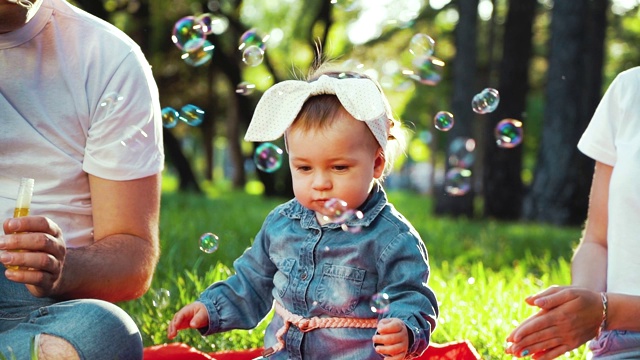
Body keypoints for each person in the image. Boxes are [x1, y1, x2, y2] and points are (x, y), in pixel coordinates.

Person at [167, 67, 439, 359]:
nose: (320, 183)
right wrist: (211, 308)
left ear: (376, 164)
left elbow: (411, 296)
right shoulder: (281, 224)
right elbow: (251, 282)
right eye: (305, 168)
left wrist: (405, 329)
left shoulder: (391, 238)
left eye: (339, 167)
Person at [0, 0, 164, 358]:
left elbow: (134, 258)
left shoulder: (107, 56)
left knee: (105, 332)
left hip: (35, 304)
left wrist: (62, 266)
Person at [505, 66, 640, 359]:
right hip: (618, 343)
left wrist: (605, 310)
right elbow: (597, 240)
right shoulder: (629, 88)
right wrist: (577, 308)